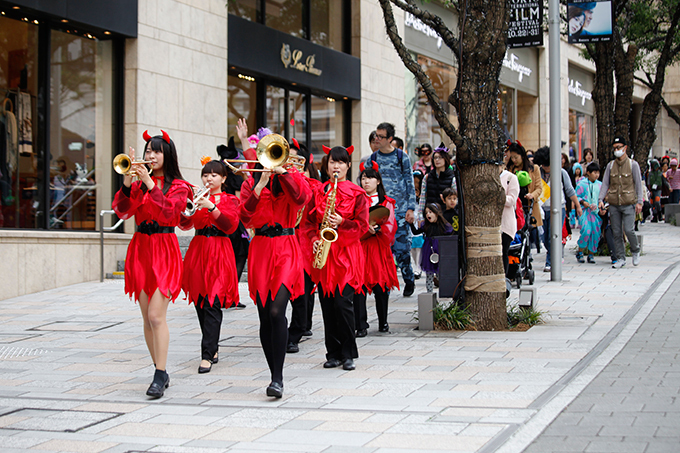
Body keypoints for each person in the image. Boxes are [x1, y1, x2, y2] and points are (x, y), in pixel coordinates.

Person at [112, 130, 192, 399]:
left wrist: (150, 185)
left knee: (157, 315)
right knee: (147, 317)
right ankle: (159, 369)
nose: (150, 156)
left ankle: (160, 373)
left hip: (164, 248)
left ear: (167, 155)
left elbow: (172, 214)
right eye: (148, 151)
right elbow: (122, 211)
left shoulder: (180, 186)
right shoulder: (136, 183)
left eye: (156, 151)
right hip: (140, 248)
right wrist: (126, 182)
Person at [239, 138, 312, 398]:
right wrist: (259, 185)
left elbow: (303, 198)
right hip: (260, 249)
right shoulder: (251, 182)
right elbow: (244, 217)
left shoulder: (292, 177)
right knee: (263, 316)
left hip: (286, 246)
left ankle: (278, 377)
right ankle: (273, 375)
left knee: (276, 310)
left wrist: (283, 174)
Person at [301, 145, 369, 371]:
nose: (336, 166)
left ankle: (349, 352)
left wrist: (343, 222)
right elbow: (308, 224)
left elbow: (362, 226)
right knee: (327, 304)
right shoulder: (318, 192)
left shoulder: (358, 194)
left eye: (341, 162)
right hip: (325, 254)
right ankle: (333, 352)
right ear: (327, 166)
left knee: (343, 304)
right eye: (332, 162)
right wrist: (313, 240)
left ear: (348, 166)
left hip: (347, 254)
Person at [180, 158, 240, 374]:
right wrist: (189, 205)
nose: (209, 178)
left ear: (223, 178)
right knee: (200, 301)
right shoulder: (196, 198)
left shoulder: (230, 199)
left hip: (219, 250)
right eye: (205, 174)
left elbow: (229, 226)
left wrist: (212, 207)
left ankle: (206, 354)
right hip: (199, 249)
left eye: (214, 174)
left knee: (213, 301)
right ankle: (212, 346)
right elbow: (185, 223)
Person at [365, 122, 417, 297]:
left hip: (400, 212)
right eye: (375, 136)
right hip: (380, 213)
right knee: (383, 252)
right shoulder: (372, 159)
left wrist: (411, 209)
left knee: (402, 252)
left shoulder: (402, 157)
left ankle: (409, 278)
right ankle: (384, 285)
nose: (376, 139)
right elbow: (366, 185)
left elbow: (410, 184)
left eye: (380, 136)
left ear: (390, 139)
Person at [353, 161, 398, 336]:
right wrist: (364, 229)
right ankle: (361, 325)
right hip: (361, 246)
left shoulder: (386, 202)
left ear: (378, 181)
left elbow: (391, 225)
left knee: (381, 286)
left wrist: (377, 229)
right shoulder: (357, 200)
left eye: (370, 178)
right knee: (359, 287)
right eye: (364, 178)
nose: (366, 182)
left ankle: (383, 321)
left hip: (379, 247)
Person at [287, 138, 322, 354]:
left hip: (304, 241)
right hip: (282, 241)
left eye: (293, 158)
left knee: (302, 292)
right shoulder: (276, 181)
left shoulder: (314, 186)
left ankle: (296, 332)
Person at [533, 146, 582, 272]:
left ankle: (550, 261)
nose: (546, 167)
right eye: (543, 164)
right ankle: (554, 253)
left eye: (548, 164)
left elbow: (570, 190)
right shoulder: (538, 173)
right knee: (543, 237)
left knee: (553, 236)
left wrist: (577, 205)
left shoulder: (561, 173)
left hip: (558, 208)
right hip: (542, 209)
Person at [598, 136, 643, 268]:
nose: (617, 150)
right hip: (614, 204)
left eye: (619, 147)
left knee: (629, 230)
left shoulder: (633, 165)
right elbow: (605, 184)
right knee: (616, 232)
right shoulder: (610, 166)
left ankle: (635, 250)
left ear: (625, 148)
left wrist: (639, 202)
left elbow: (638, 184)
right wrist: (601, 200)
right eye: (615, 148)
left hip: (629, 203)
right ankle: (620, 258)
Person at [409, 203, 452, 293]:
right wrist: (411, 224)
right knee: (429, 273)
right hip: (429, 250)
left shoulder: (443, 225)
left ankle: (446, 291)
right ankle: (429, 293)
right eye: (426, 213)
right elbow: (416, 232)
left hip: (440, 249)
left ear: (437, 213)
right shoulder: (426, 225)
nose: (428, 214)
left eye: (430, 212)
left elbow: (451, 233)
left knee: (441, 272)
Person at [506, 140, 543, 234]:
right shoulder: (509, 170)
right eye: (512, 158)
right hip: (515, 205)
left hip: (529, 205)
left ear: (522, 155)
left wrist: (532, 195)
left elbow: (539, 188)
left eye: (516, 157)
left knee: (530, 234)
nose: (514, 160)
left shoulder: (534, 169)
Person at [417, 144, 456, 221]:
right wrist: (420, 217)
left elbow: (455, 201)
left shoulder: (452, 178)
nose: (437, 160)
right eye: (435, 158)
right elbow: (422, 199)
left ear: (445, 159)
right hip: (430, 217)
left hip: (446, 218)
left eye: (440, 157)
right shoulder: (427, 177)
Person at [575, 162, 603, 264]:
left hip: (595, 213)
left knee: (595, 233)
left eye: (598, 173)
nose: (596, 175)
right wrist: (583, 202)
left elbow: (604, 198)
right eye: (594, 172)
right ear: (588, 173)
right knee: (586, 231)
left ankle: (591, 254)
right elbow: (576, 196)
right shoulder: (581, 184)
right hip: (585, 212)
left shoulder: (600, 185)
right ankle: (580, 251)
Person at [500, 167, 520, 277]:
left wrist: (498, 197)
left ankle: (503, 278)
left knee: (503, 251)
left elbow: (512, 200)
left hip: (506, 223)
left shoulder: (510, 178)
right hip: (491, 224)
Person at [411, 170, 425, 279]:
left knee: (419, 246)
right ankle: (416, 265)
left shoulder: (424, 191)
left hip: (420, 218)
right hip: (411, 218)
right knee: (413, 246)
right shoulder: (409, 190)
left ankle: (418, 267)